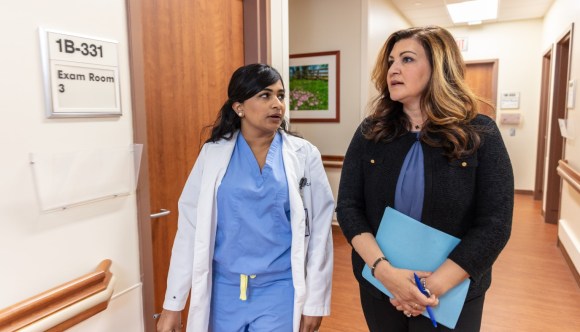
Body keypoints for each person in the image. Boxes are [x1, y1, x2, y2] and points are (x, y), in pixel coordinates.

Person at [336, 26, 514, 331]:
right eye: (391, 61)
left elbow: (494, 224)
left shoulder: (480, 133)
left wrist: (430, 288)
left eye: (406, 59)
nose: (393, 69)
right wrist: (385, 273)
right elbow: (349, 208)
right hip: (382, 286)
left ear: (439, 68)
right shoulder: (371, 132)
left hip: (453, 292)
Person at [155, 63, 335, 332]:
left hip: (280, 289)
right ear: (239, 106)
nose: (278, 104)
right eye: (265, 95)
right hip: (223, 290)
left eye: (281, 96)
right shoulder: (213, 154)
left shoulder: (304, 155)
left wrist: (315, 302)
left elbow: (320, 231)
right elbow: (190, 231)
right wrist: (173, 303)